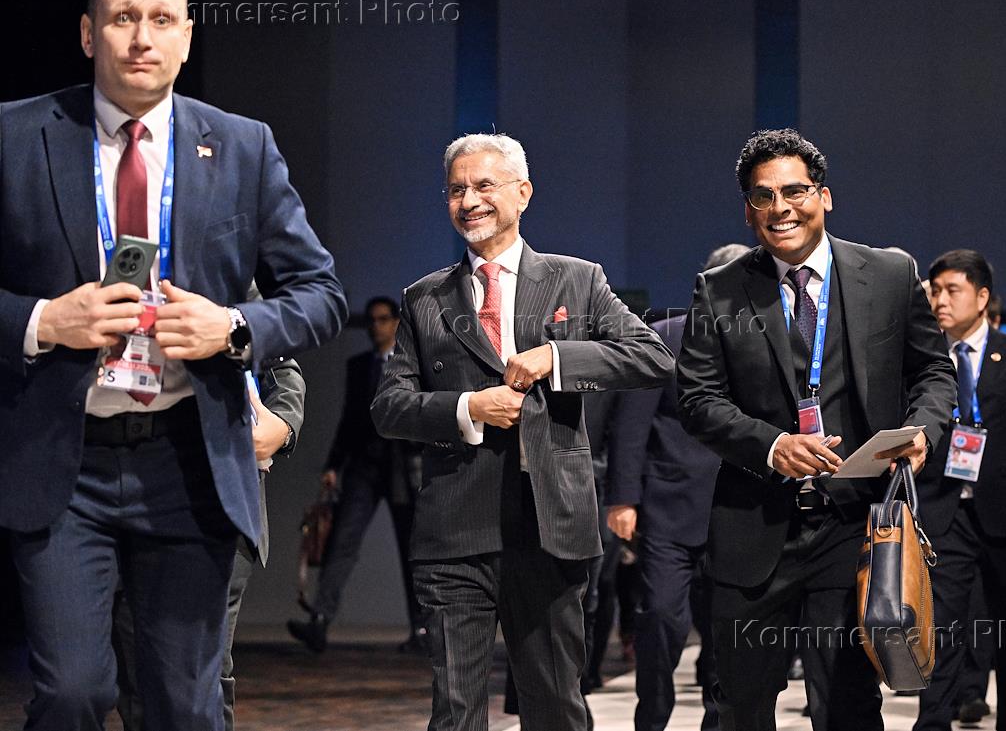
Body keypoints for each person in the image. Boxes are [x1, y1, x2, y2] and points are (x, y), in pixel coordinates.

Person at [0, 0, 346, 730]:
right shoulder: (15, 135)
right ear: (87, 33)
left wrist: (233, 326)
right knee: (72, 691)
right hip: (64, 459)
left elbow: (321, 293)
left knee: (186, 706)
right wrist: (42, 320)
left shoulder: (243, 145)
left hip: (189, 461)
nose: (141, 38)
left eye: (161, 20)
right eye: (123, 18)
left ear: (187, 37)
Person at [369, 133, 674, 731]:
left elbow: (652, 357)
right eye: (456, 190)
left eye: (484, 185)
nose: (469, 201)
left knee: (554, 705)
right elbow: (389, 407)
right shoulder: (424, 298)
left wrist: (555, 358)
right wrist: (468, 408)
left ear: (523, 193)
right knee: (455, 713)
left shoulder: (576, 280)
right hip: (455, 529)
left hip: (550, 525)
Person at [676, 129, 956, 731]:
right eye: (763, 196)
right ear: (748, 210)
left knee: (849, 708)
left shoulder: (890, 274)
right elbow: (697, 400)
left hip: (855, 526)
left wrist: (923, 430)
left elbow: (933, 371)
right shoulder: (718, 290)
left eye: (795, 191)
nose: (780, 208)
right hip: (754, 528)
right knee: (740, 709)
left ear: (823, 196)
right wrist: (773, 446)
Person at [913, 249, 1006, 731]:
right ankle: (932, 722)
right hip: (944, 510)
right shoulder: (922, 357)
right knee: (941, 628)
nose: (940, 300)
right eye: (935, 291)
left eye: (952, 290)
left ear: (981, 298)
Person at [115, 344, 306, 731]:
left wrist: (282, 426)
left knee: (205, 678)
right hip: (127, 497)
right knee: (140, 679)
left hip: (218, 502)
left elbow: (282, 369)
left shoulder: (229, 304)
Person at [606, 243, 750, 731]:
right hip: (668, 507)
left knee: (726, 630)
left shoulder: (764, 341)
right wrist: (623, 498)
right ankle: (651, 718)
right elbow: (631, 426)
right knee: (662, 619)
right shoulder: (664, 339)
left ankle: (717, 722)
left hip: (737, 510)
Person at [287, 296, 425, 653]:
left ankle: (422, 629)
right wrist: (333, 465)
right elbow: (349, 420)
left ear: (397, 322)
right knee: (342, 542)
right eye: (372, 320)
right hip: (364, 465)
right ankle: (319, 620)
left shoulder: (413, 360)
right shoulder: (359, 365)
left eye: (383, 319)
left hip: (402, 466)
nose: (376, 327)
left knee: (411, 548)